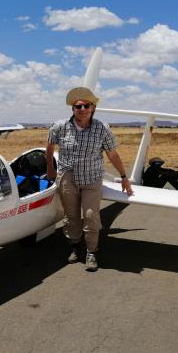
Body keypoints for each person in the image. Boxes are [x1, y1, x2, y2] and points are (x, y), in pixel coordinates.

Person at [46, 87, 134, 272]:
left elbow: (112, 153)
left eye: (87, 106)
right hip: (67, 177)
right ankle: (74, 247)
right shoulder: (59, 127)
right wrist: (50, 168)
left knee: (91, 216)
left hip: (91, 178)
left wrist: (124, 177)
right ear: (73, 108)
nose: (83, 109)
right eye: (79, 106)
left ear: (93, 108)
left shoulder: (102, 128)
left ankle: (91, 252)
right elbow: (49, 146)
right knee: (71, 217)